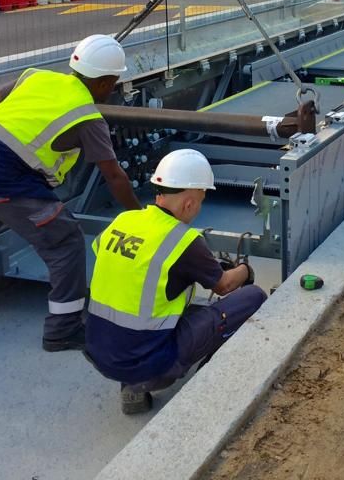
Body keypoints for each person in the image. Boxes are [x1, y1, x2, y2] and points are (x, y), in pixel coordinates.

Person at [0, 34, 142, 350]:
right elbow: (114, 175)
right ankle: (63, 329)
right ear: (106, 83)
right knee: (65, 241)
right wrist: (138, 215)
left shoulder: (36, 77)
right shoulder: (87, 116)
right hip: (5, 182)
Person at [84, 149, 267, 414]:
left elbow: (121, 261)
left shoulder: (124, 220)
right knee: (252, 298)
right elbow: (224, 285)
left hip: (101, 351)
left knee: (169, 309)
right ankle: (203, 384)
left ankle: (131, 388)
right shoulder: (183, 240)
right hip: (149, 362)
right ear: (189, 203)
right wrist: (244, 271)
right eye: (201, 200)